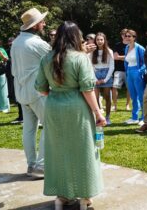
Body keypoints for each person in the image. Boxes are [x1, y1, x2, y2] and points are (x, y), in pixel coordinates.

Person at [34, 21, 105, 210]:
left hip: (54, 108)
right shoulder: (80, 58)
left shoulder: (46, 58)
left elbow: (41, 89)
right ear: (76, 37)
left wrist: (58, 94)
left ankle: (61, 196)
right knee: (83, 150)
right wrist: (98, 113)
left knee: (58, 151)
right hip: (77, 108)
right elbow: (88, 89)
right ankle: (84, 197)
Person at [11, 8, 52, 177]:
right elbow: (59, 59)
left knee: (29, 129)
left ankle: (31, 165)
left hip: (21, 91)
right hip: (36, 92)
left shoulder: (16, 42)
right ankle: (40, 167)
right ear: (35, 26)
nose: (44, 23)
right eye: (42, 21)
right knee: (49, 126)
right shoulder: (37, 43)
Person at [123, 30, 147, 125]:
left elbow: (146, 61)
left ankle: (144, 118)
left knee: (141, 96)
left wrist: (140, 71)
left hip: (137, 72)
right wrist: (127, 72)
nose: (128, 38)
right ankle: (134, 117)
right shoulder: (127, 47)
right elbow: (126, 61)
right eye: (126, 36)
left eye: (130, 36)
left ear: (134, 37)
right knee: (133, 96)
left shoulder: (139, 48)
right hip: (129, 72)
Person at [91, 32, 114, 125]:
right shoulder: (92, 51)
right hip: (95, 74)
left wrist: (105, 79)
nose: (99, 41)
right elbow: (90, 66)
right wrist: (95, 79)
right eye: (98, 39)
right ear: (95, 41)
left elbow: (112, 67)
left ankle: (107, 117)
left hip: (106, 74)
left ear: (104, 40)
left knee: (107, 97)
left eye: (101, 39)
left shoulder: (109, 51)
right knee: (95, 98)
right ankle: (98, 117)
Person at [6, 36, 23, 124]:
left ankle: (23, 117)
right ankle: (21, 117)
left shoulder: (20, 50)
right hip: (13, 75)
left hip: (21, 75)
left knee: (21, 97)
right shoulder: (9, 51)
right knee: (18, 97)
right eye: (9, 43)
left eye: (12, 43)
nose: (10, 44)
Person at [112, 29, 129, 111]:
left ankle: (127, 105)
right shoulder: (117, 45)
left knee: (129, 88)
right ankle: (114, 106)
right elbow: (115, 57)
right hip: (118, 69)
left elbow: (131, 57)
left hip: (129, 70)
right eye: (124, 35)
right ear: (122, 36)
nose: (125, 36)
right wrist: (126, 57)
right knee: (114, 87)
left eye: (127, 35)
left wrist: (120, 57)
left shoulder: (131, 45)